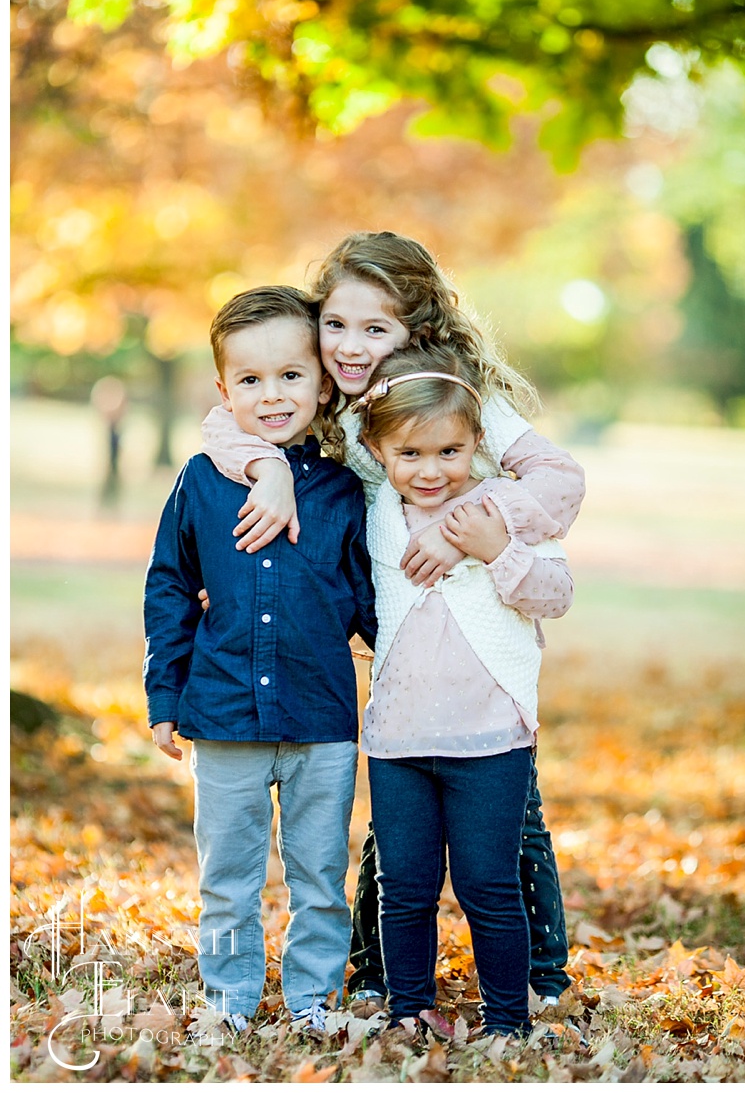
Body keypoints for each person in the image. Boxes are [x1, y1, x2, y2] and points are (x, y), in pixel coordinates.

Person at [198, 231, 582, 1012]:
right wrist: (267, 466)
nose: (349, 344)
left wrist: (464, 521)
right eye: (335, 324)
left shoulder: (460, 394)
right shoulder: (321, 398)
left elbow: (560, 481)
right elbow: (222, 423)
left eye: (375, 328)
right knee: (395, 832)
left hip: (483, 659)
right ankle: (383, 975)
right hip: (400, 655)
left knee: (516, 827)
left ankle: (541, 978)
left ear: (419, 329)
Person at [144, 286, 376, 1038]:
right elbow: (171, 584)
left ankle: (314, 998)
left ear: (321, 379)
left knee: (318, 875)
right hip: (224, 714)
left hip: (321, 720)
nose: (271, 395)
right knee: (228, 876)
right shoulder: (201, 481)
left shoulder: (344, 490)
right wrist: (163, 693)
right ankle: (231, 1000)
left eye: (289, 376)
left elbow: (371, 599)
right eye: (249, 380)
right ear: (223, 390)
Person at [350, 346, 570, 1039]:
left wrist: (493, 549)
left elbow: (555, 592)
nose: (431, 469)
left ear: (477, 441)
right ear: (380, 451)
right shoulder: (375, 511)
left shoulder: (503, 510)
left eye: (450, 450)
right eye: (411, 452)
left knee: (489, 886)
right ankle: (408, 1007)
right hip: (398, 740)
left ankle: (508, 1019)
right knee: (405, 887)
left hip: (490, 738)